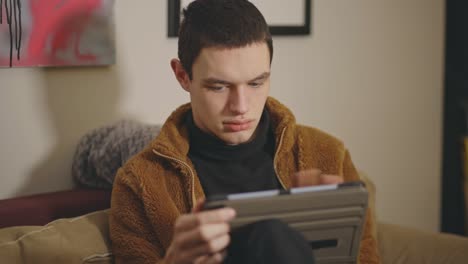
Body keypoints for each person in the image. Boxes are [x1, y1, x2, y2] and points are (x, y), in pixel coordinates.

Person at [109, 0, 380, 263]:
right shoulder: (140, 183)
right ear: (182, 76)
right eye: (219, 87)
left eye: (256, 83)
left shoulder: (328, 154)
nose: (240, 107)